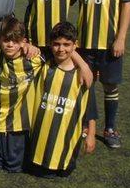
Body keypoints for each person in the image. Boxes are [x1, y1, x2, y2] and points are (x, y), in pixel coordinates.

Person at [0, 16, 93, 172]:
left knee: (14, 168)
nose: (10, 44)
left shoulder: (35, 57)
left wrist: (83, 65)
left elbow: (61, 48)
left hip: (18, 125)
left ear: (23, 41)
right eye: (6, 40)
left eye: (16, 41)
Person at [77, 0, 130, 148]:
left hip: (110, 43)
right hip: (84, 42)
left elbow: (126, 7)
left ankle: (109, 128)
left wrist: (121, 38)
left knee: (110, 86)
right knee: (85, 84)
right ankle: (84, 125)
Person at [27, 22, 92, 178]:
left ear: (75, 45)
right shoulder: (44, 64)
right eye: (56, 44)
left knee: (62, 172)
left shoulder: (83, 75)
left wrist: (91, 132)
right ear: (50, 45)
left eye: (66, 44)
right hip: (38, 145)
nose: (61, 49)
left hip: (66, 148)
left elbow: (90, 106)